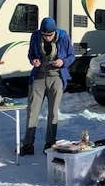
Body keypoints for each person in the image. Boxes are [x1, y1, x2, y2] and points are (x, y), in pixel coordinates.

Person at [20, 17, 75, 155]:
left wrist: (63, 62)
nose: (47, 37)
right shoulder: (35, 36)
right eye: (44, 35)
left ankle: (50, 143)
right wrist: (33, 60)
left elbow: (71, 56)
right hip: (39, 75)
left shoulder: (63, 37)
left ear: (55, 32)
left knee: (53, 112)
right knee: (32, 110)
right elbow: (30, 54)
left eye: (49, 35)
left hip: (56, 76)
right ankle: (28, 144)